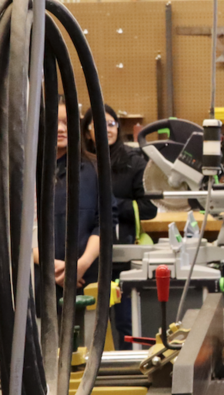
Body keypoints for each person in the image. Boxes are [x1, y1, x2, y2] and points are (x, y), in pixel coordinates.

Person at [83, 104, 156, 348]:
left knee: (126, 321)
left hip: (123, 255)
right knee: (91, 321)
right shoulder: (81, 164)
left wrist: (112, 205)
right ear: (86, 131)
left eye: (111, 123)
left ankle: (128, 367)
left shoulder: (134, 161)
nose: (107, 129)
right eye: (99, 124)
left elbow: (149, 208)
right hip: (89, 257)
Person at [34, 100, 102, 294]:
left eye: (67, 122)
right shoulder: (27, 172)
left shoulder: (94, 169)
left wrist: (81, 264)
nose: (61, 129)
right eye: (54, 122)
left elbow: (105, 221)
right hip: (40, 279)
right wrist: (48, 264)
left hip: (86, 279)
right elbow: (15, 228)